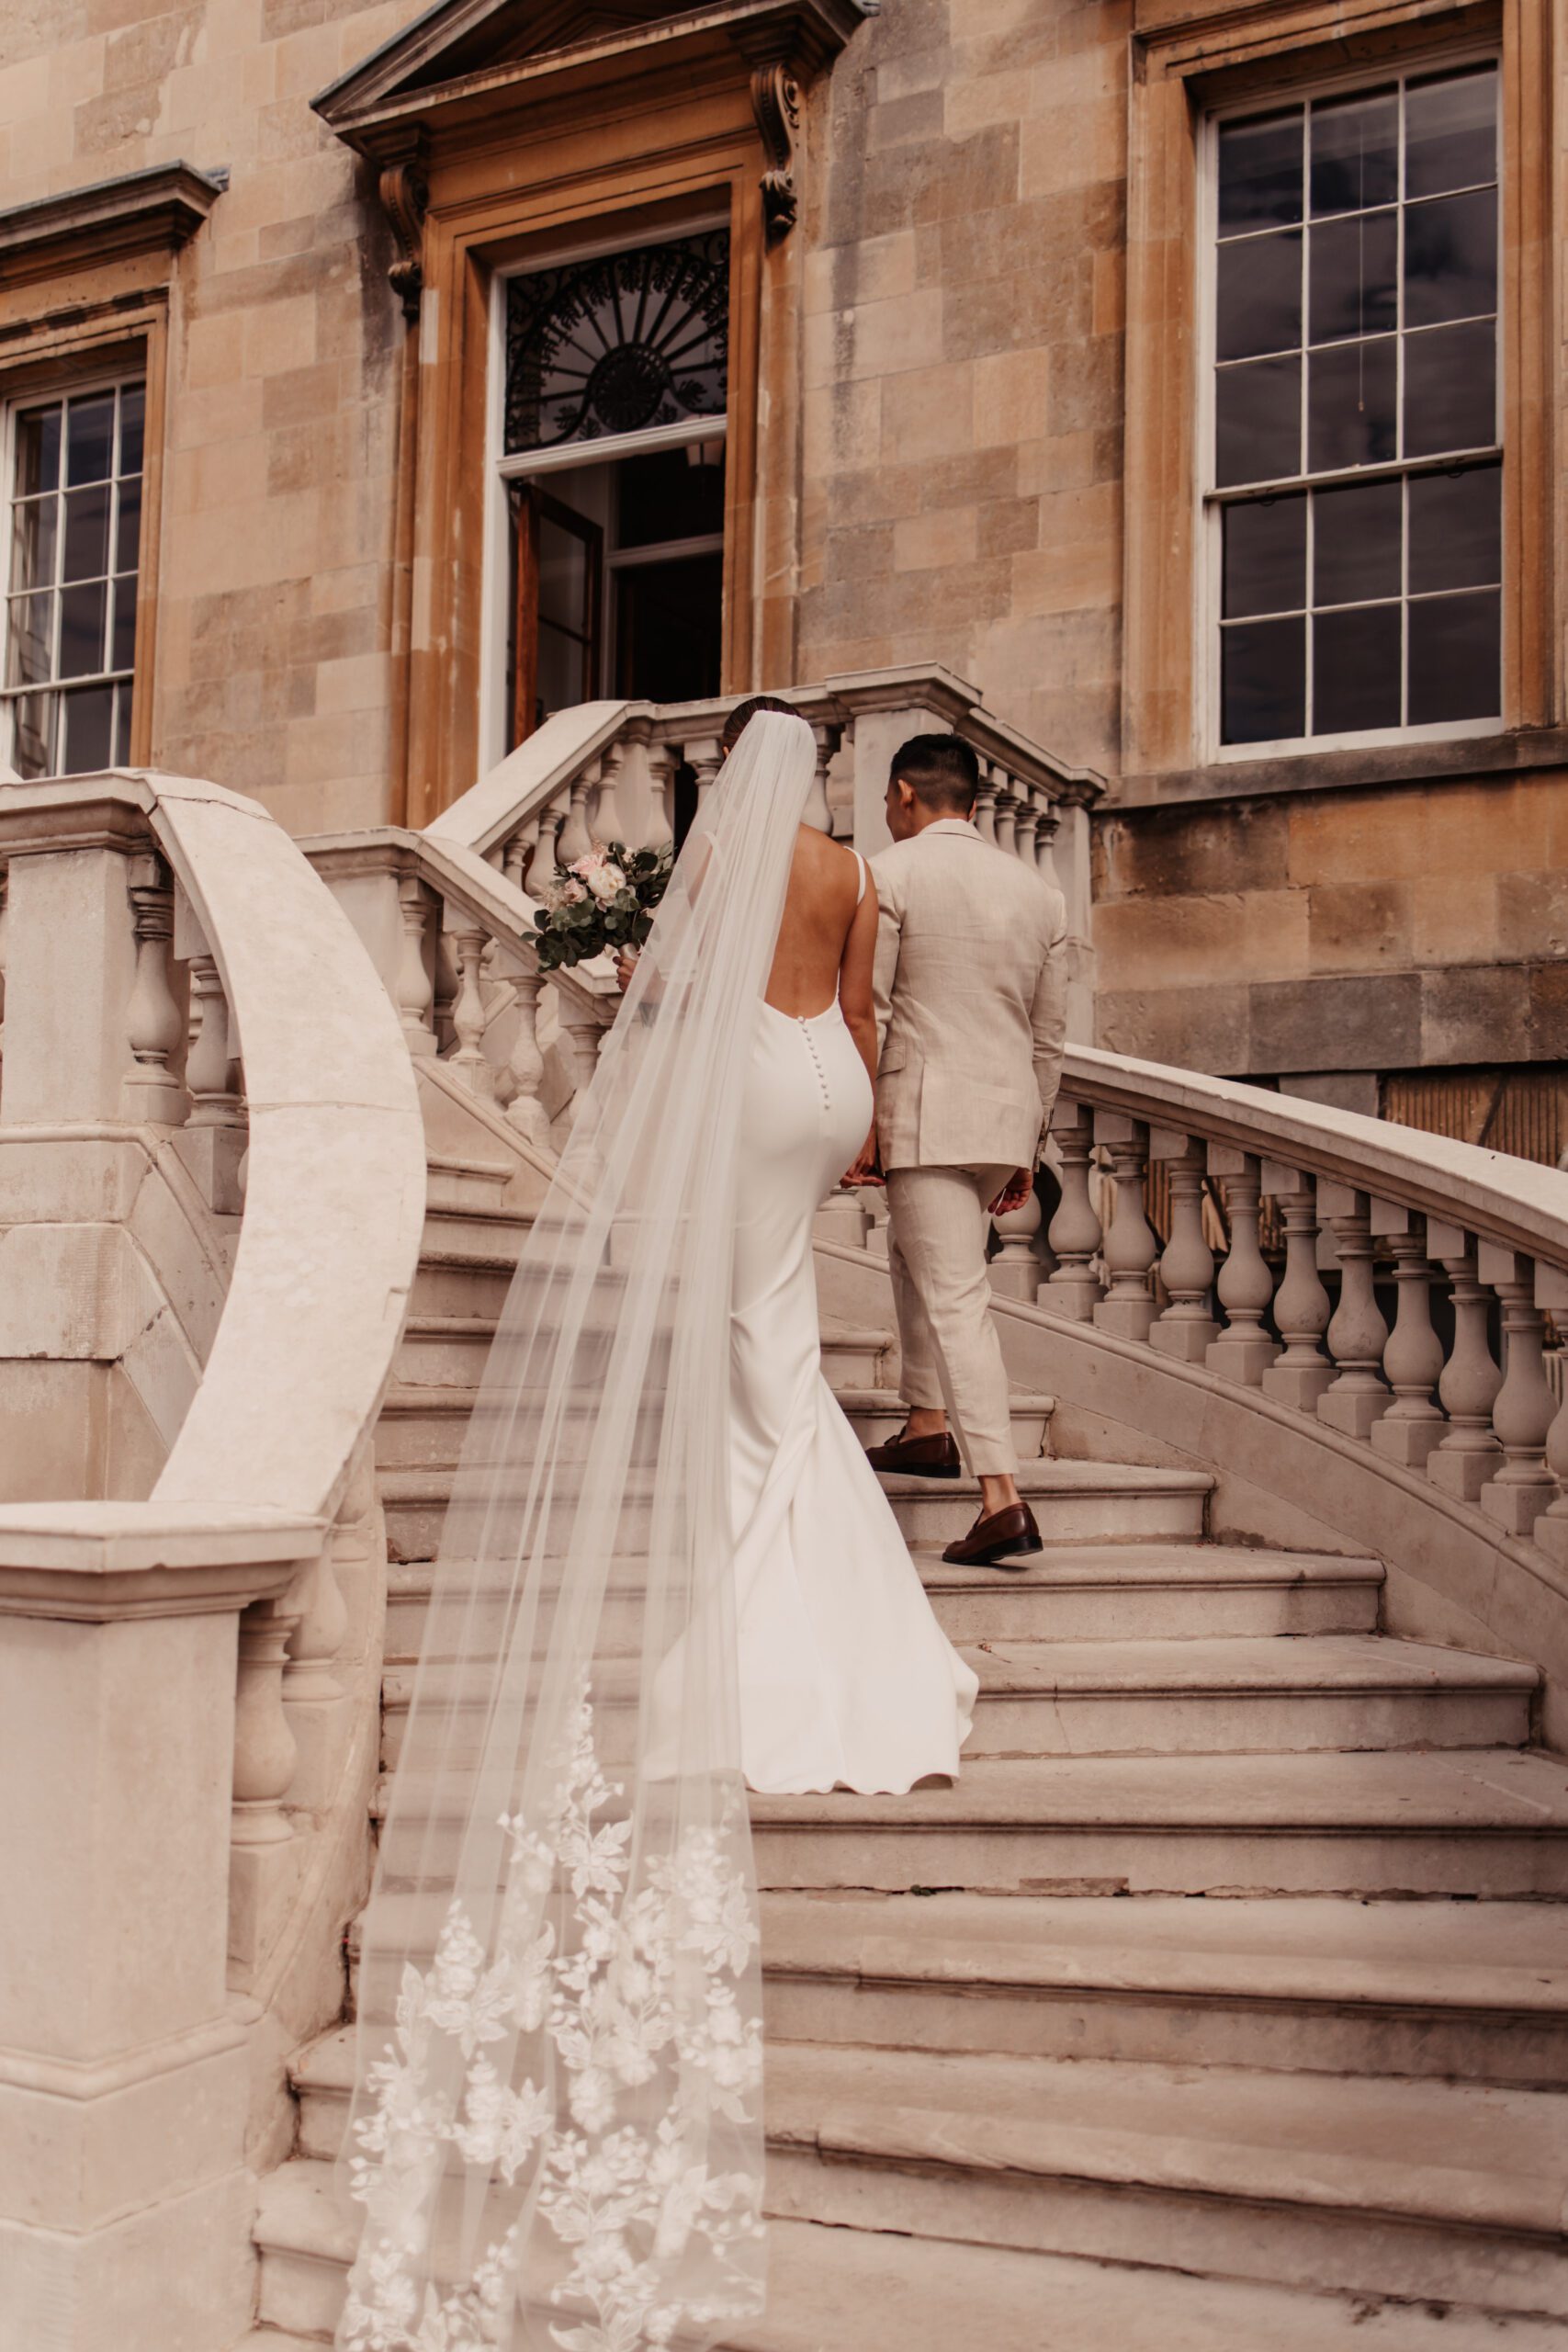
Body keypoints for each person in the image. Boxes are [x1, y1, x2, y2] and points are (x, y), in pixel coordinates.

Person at [338, 712, 975, 2352]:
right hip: (825, 1084)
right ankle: (824, 1559)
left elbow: (685, 994)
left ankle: (786, 1571)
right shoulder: (851, 866)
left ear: (728, 781)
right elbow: (852, 1012)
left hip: (749, 1088)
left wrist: (628, 1003)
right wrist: (857, 1123)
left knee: (745, 1328)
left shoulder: (717, 858)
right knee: (770, 1325)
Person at [852, 733, 1067, 1569]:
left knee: (953, 1293)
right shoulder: (1040, 893)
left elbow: (867, 1005)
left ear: (904, 793)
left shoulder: (889, 872)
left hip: (926, 1106)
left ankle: (1001, 1496)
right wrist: (1027, 1144)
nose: (885, 811)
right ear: (972, 800)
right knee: (915, 1260)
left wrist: (863, 1122)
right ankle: (926, 1424)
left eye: (885, 799)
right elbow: (1048, 1039)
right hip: (1004, 1114)